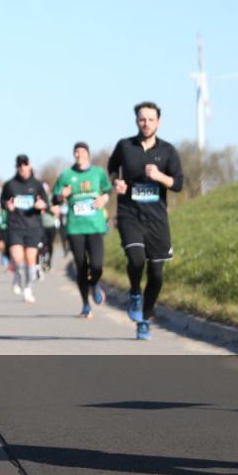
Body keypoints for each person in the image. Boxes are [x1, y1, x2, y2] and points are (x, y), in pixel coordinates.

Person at [107, 102, 183, 340]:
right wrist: (116, 182)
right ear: (136, 121)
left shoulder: (168, 151)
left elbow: (178, 184)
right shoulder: (125, 146)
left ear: (158, 122)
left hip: (157, 218)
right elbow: (112, 168)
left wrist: (159, 176)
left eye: (151, 119)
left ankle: (145, 318)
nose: (146, 123)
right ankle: (134, 293)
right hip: (129, 213)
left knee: (157, 275)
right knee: (136, 258)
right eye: (142, 119)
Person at [52, 142, 111, 318]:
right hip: (75, 227)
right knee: (81, 266)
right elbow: (55, 199)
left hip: (96, 225)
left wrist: (104, 199)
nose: (79, 155)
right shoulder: (66, 175)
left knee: (97, 265)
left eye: (82, 151)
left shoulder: (98, 173)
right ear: (74, 155)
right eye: (76, 152)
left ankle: (94, 283)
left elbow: (108, 190)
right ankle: (86, 304)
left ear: (88, 154)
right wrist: (62, 195)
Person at [0, 155, 48, 304]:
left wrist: (41, 205)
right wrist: (7, 205)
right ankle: (17, 275)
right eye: (20, 165)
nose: (22, 167)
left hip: (33, 227)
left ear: (30, 166)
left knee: (30, 260)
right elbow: (2, 201)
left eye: (25, 164)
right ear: (17, 167)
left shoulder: (37, 184)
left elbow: (46, 202)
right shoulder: (10, 185)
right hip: (15, 226)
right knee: (17, 258)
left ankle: (28, 289)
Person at [39, 182, 58, 273]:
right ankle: (43, 261)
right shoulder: (39, 199)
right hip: (40, 226)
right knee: (42, 245)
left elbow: (56, 210)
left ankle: (49, 262)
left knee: (50, 244)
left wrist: (47, 208)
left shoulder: (52, 198)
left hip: (51, 225)